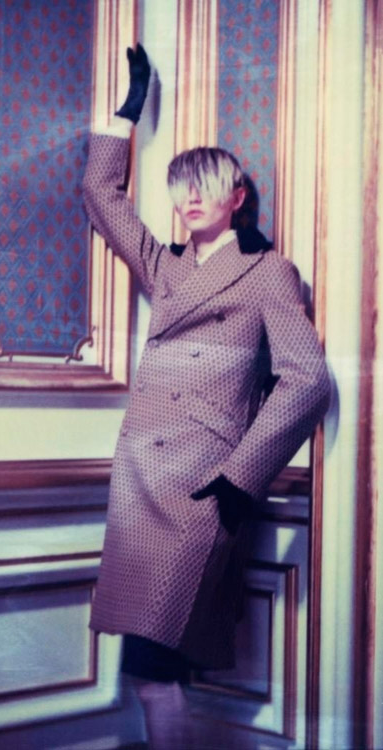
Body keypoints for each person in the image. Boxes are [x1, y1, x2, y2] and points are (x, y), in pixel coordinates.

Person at [82, 44, 331, 748]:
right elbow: (102, 196)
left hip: (201, 489)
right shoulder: (166, 267)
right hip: (141, 482)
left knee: (155, 668)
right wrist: (128, 110)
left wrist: (238, 478)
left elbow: (307, 378)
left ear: (236, 197)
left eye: (206, 187)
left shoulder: (268, 272)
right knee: (149, 669)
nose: (190, 200)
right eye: (180, 187)